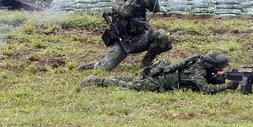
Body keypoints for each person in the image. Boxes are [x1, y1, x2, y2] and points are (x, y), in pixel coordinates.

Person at [78, 0, 171, 74]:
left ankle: (146, 64)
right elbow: (125, 12)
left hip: (140, 38)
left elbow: (155, 9)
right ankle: (94, 65)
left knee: (162, 35)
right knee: (103, 69)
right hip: (123, 42)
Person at [80, 51, 239, 94]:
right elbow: (205, 89)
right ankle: (96, 81)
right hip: (159, 81)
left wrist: (220, 78)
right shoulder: (197, 71)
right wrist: (227, 86)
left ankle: (98, 79)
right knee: (130, 85)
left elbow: (207, 81)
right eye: (218, 68)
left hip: (160, 75)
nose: (220, 71)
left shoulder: (200, 65)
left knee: (132, 79)